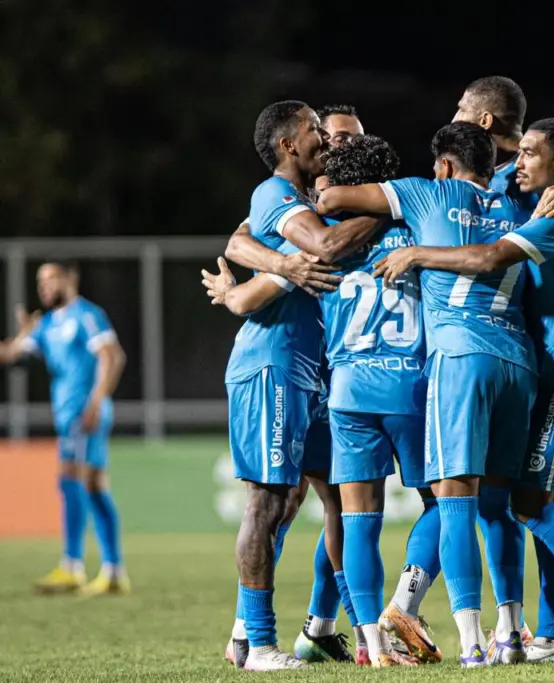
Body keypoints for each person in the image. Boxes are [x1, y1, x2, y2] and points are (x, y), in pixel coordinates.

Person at [373, 118, 554, 665]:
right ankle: (546, 636)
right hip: (548, 372)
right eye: (516, 154)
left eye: (528, 155)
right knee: (540, 502)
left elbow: (490, 257)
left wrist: (416, 254)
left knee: (530, 502)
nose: (518, 164)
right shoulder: (535, 195)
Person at [316, 121, 536, 668]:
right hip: (422, 385)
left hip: (351, 391)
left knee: (357, 521)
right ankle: (494, 627)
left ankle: (372, 642)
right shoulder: (495, 215)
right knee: (464, 502)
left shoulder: (328, 240)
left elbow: (277, 280)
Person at [205, 134, 430, 667]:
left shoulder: (325, 220)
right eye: (325, 135)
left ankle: (365, 637)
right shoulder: (293, 213)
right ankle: (254, 637)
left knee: (334, 505)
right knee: (271, 502)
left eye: (344, 139)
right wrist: (285, 267)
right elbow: (241, 283)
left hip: (326, 376)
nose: (332, 144)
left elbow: (244, 247)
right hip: (276, 365)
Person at [0, 262, 128, 596]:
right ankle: (111, 571)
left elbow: (112, 356)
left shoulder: (85, 314)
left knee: (75, 480)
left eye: (50, 278)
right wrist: (24, 334)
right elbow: (12, 354)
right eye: (40, 281)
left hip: (85, 412)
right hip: (68, 415)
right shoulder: (46, 325)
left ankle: (76, 565)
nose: (43, 286)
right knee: (92, 486)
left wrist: (96, 402)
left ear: (69, 279)